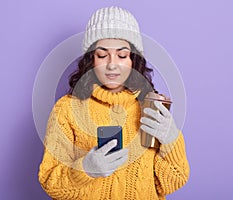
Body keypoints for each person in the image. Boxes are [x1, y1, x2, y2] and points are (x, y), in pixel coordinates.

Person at [38, 6, 190, 200]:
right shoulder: (67, 109)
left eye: (122, 55)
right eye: (102, 55)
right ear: (91, 59)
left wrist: (171, 140)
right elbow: (50, 182)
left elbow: (173, 181)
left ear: (133, 60)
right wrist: (86, 169)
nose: (112, 64)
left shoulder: (150, 108)